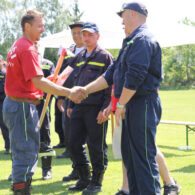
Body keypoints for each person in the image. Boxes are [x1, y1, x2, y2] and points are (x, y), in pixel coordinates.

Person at [79, 2, 163, 194]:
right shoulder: (131, 41)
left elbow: (135, 76)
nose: (121, 21)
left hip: (142, 104)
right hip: (131, 104)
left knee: (143, 159)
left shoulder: (142, 39)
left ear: (132, 14)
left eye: (123, 16)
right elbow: (111, 73)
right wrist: (85, 89)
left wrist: (122, 103)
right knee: (131, 157)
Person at [2, 10, 86, 195]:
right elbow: (38, 81)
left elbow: (29, 80)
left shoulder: (18, 44)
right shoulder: (28, 48)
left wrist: (49, 85)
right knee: (26, 153)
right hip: (21, 106)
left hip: (15, 104)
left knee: (23, 151)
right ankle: (22, 191)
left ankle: (22, 188)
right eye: (39, 26)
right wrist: (69, 92)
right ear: (27, 26)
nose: (43, 29)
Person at [105, 90, 181, 195]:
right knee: (127, 151)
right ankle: (126, 188)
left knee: (146, 148)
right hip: (121, 107)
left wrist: (120, 104)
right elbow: (115, 85)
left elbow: (134, 82)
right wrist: (112, 104)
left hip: (134, 105)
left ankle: (170, 183)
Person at [67, 22, 113, 194]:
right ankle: (84, 177)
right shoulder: (78, 57)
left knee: (96, 146)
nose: (86, 38)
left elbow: (110, 85)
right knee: (73, 144)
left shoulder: (105, 57)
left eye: (90, 35)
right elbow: (75, 82)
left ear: (97, 36)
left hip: (96, 109)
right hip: (79, 107)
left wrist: (106, 108)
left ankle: (97, 182)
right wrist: (71, 104)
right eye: (83, 35)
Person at [56, 21, 85, 184]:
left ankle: (90, 176)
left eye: (79, 32)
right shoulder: (69, 51)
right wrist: (60, 97)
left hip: (86, 100)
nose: (76, 36)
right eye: (73, 33)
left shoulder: (93, 52)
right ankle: (77, 170)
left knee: (88, 140)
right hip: (69, 99)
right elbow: (64, 75)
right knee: (71, 135)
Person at [34, 41, 56, 180]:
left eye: (36, 44)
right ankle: (20, 170)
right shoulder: (23, 61)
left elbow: (54, 83)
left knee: (44, 138)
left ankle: (46, 170)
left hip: (42, 106)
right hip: (25, 106)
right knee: (22, 139)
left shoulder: (47, 64)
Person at [0, 55, 10, 154]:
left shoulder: (5, 73)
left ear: (2, 61)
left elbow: (3, 89)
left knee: (5, 125)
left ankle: (9, 146)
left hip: (3, 103)